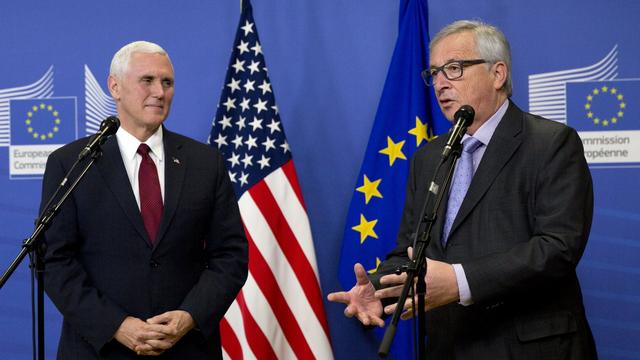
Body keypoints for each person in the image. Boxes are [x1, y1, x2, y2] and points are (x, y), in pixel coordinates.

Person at [328, 20, 597, 359]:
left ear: (498, 74)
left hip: (529, 348)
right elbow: (410, 251)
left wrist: (459, 281)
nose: (440, 83)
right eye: (434, 73)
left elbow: (557, 248)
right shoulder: (428, 157)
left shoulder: (551, 143)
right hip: (448, 347)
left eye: (453, 69)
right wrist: (379, 290)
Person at [41, 41, 248, 359]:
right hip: (101, 348)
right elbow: (55, 260)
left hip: (186, 347)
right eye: (147, 80)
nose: (160, 92)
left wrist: (189, 316)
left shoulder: (206, 163)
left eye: (167, 82)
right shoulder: (72, 163)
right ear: (115, 86)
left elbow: (230, 256)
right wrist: (116, 325)